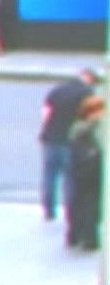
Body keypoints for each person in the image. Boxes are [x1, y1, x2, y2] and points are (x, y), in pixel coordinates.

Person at [40, 68, 99, 222]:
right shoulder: (87, 93)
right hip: (71, 142)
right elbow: (92, 119)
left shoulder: (57, 90)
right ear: (90, 79)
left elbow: (46, 114)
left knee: (50, 176)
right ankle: (70, 212)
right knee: (70, 178)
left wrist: (46, 131)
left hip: (51, 138)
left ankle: (48, 210)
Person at [66, 95, 104, 253]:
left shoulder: (79, 128)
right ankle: (87, 238)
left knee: (81, 204)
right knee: (88, 205)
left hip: (82, 172)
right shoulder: (87, 129)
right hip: (88, 173)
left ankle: (76, 236)